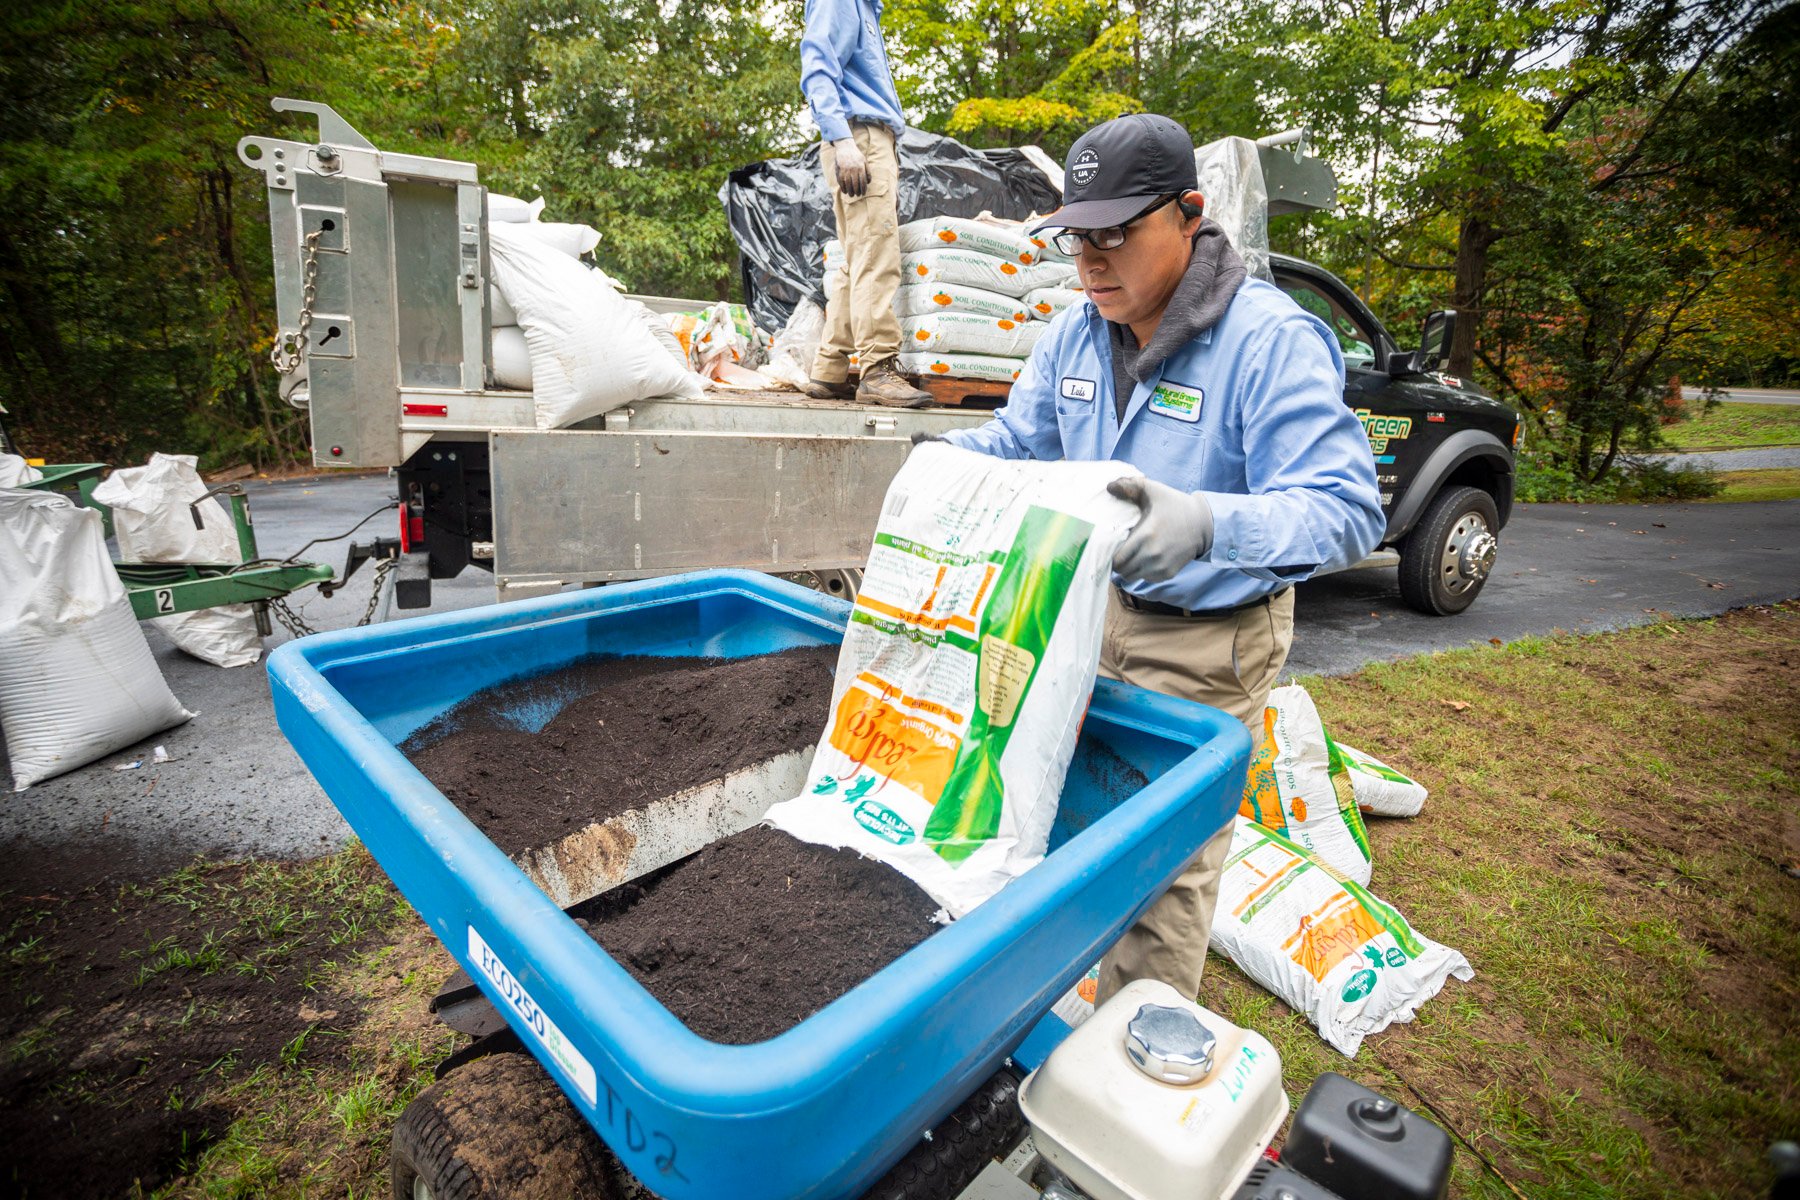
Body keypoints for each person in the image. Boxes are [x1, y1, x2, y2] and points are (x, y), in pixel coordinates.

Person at [937, 113, 1386, 1005]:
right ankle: (1052, 1008)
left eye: (1116, 233)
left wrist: (1209, 523)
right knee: (1050, 804)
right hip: (1086, 612)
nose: (1092, 261)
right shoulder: (1074, 337)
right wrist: (943, 464)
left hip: (1207, 638)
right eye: (1077, 237)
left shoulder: (1269, 341)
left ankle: (1133, 1073)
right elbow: (1019, 440)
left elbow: (1346, 511)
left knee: (1165, 866)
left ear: (1189, 213)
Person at [798, 0, 933, 408]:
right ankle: (878, 370)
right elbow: (818, 67)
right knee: (876, 254)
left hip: (867, 140)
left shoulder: (865, 9)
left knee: (856, 259)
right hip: (860, 139)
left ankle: (829, 368)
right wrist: (843, 141)